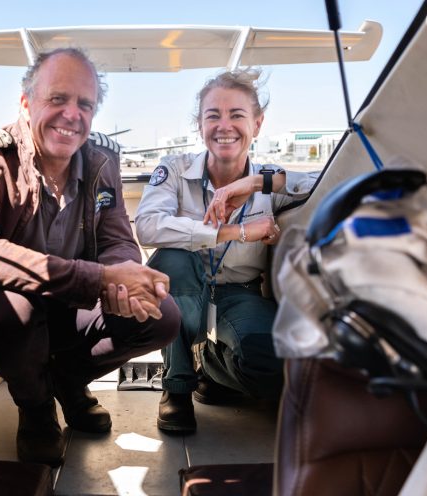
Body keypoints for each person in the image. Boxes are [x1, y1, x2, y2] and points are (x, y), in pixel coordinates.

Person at [0, 48, 180, 467]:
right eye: (58, 99)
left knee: (160, 316)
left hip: (69, 307)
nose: (72, 114)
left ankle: (68, 384)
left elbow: (118, 238)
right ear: (26, 103)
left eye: (84, 104)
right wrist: (98, 279)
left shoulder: (102, 160)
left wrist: (125, 275)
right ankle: (35, 409)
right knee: (13, 309)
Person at [135, 69, 315, 432]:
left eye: (237, 115)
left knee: (274, 367)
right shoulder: (174, 169)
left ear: (257, 124)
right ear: (199, 125)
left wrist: (258, 181)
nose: (224, 126)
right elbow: (148, 226)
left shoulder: (268, 180)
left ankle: (212, 370)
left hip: (239, 294)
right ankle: (177, 388)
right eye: (212, 115)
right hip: (186, 287)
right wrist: (236, 231)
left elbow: (328, 184)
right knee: (172, 259)